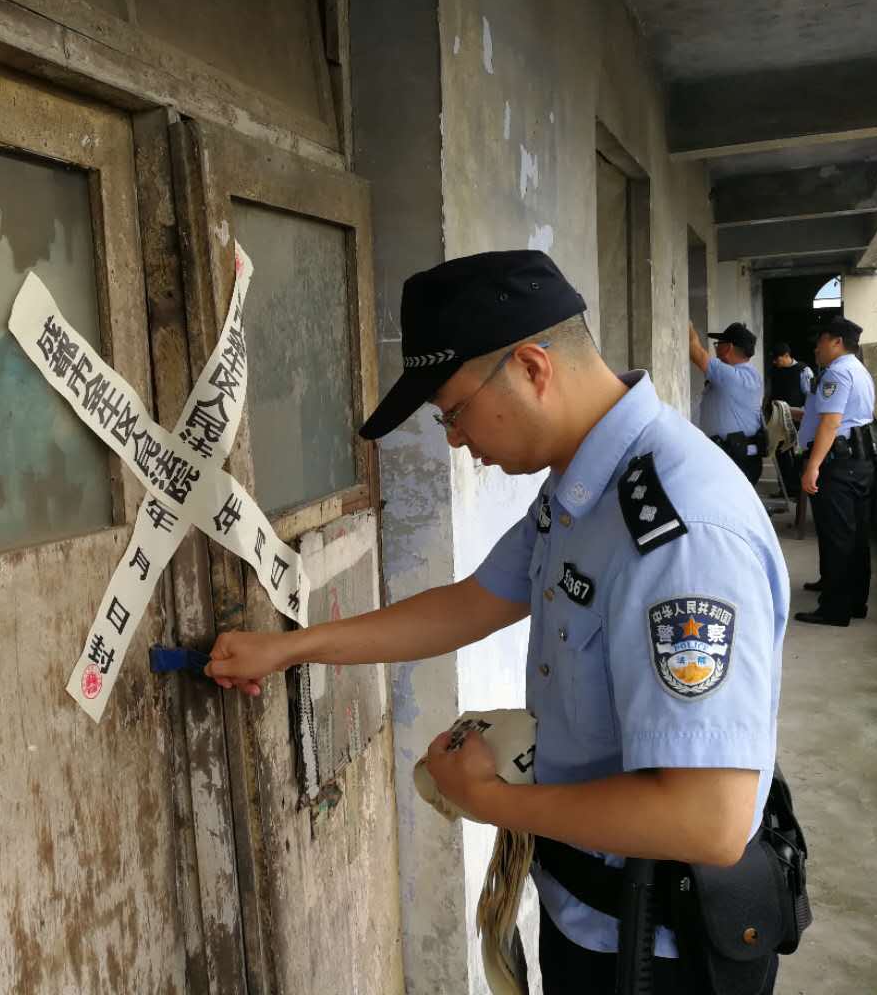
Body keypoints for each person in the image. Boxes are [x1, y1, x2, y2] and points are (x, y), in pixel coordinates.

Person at [205, 251, 788, 993]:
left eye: (453, 411)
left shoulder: (681, 529)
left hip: (661, 956)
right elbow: (471, 602)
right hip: (593, 918)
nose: (453, 438)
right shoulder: (581, 489)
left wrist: (489, 803)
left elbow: (709, 820)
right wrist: (292, 647)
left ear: (532, 368)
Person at [793, 316, 877, 627]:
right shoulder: (859, 370)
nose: (817, 347)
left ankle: (835, 608)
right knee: (855, 535)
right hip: (860, 462)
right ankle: (854, 599)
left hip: (839, 465)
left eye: (821, 341)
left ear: (836, 342)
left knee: (838, 536)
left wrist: (812, 466)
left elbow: (831, 422)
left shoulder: (838, 374)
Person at [688, 321, 766, 484]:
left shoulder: (733, 376)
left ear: (728, 347)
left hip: (736, 460)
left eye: (718, 344)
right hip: (736, 457)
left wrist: (688, 326)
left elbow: (695, 352)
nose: (715, 349)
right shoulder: (747, 375)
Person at [766, 344, 812, 499]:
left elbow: (810, 396)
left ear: (786, 355)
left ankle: (799, 490)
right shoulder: (775, 371)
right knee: (780, 453)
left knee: (798, 454)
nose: (775, 362)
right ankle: (785, 488)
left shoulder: (803, 371)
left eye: (777, 359)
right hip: (779, 420)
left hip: (798, 420)